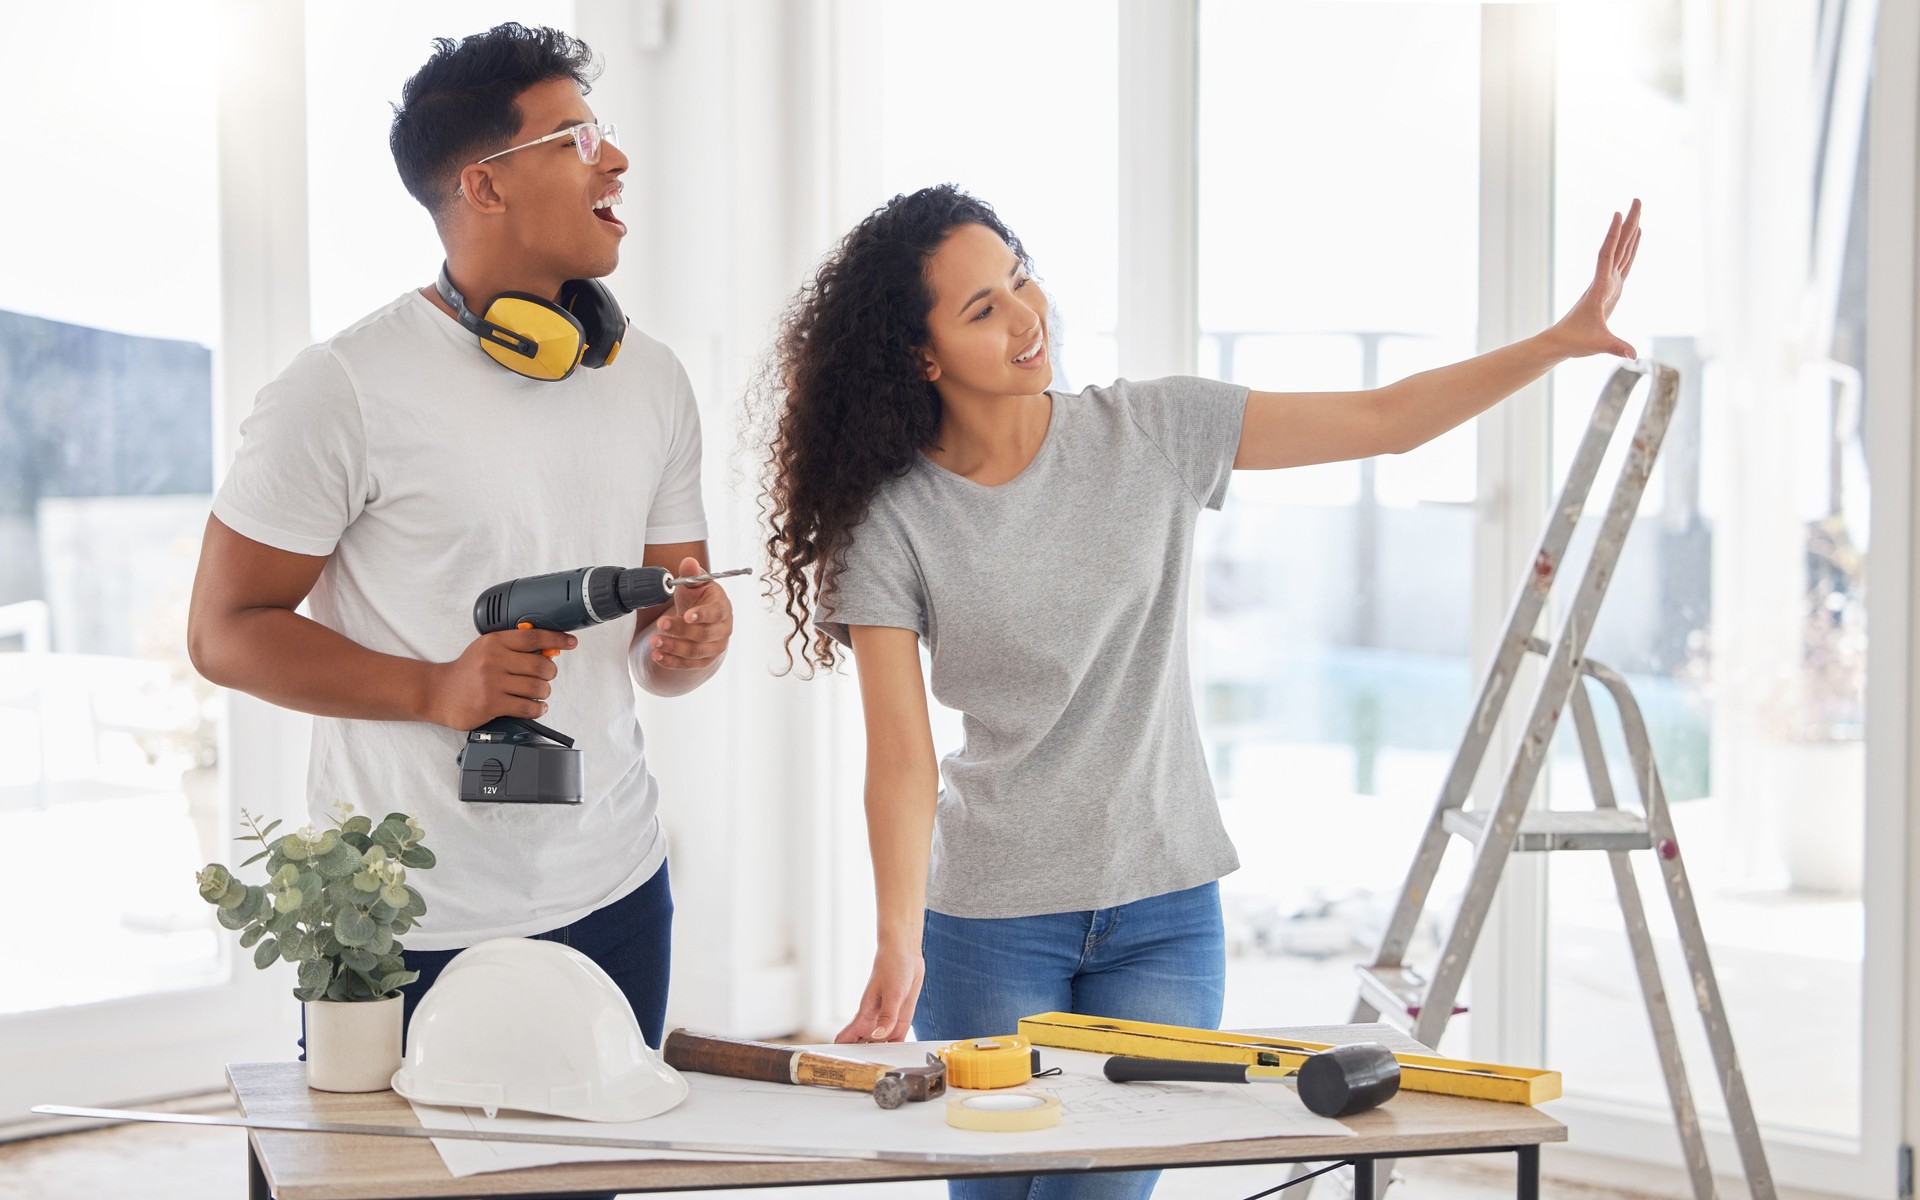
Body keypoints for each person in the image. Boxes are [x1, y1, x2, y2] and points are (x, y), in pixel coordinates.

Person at [757, 184, 1640, 1199]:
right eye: (982, 309)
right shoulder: (894, 522)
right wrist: (896, 939)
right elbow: (903, 759)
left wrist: (1557, 343)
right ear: (922, 356)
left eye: (1020, 279)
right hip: (993, 924)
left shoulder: (1153, 429)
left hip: (1164, 910)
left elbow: (1387, 420)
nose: (1026, 316)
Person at [187, 23, 733, 1048]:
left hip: (616, 892)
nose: (613, 159)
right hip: (404, 923)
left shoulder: (650, 378)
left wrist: (692, 640)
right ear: (483, 186)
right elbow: (224, 629)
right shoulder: (342, 387)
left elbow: (664, 647)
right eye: (574, 139)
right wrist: (433, 688)